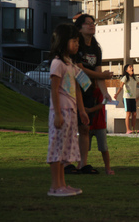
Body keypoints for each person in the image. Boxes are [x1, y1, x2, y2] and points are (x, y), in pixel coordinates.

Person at [64, 14, 114, 175]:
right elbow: (79, 70)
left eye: (93, 23)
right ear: (79, 27)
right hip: (71, 91)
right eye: (88, 24)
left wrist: (105, 92)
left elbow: (97, 72)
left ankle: (82, 164)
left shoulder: (96, 48)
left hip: (88, 91)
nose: (92, 26)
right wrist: (102, 76)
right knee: (71, 128)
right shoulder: (75, 46)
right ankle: (67, 163)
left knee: (85, 128)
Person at [46, 23, 89, 197]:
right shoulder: (58, 64)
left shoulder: (70, 64)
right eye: (74, 41)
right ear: (63, 42)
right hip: (61, 111)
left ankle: (62, 184)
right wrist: (57, 114)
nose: (77, 44)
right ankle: (55, 186)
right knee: (57, 148)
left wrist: (82, 111)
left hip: (70, 111)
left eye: (77, 41)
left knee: (64, 149)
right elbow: (54, 89)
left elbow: (78, 89)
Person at [86, 84, 115, 175]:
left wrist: (90, 110)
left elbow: (102, 104)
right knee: (84, 148)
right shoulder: (86, 90)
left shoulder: (100, 90)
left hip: (99, 124)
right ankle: (82, 165)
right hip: (88, 123)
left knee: (103, 148)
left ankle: (107, 168)